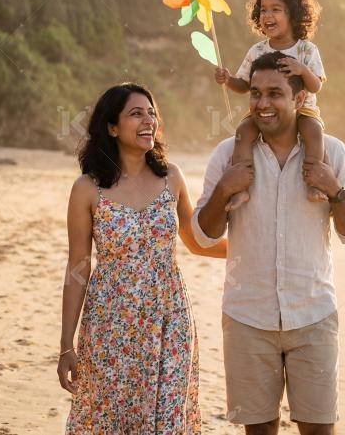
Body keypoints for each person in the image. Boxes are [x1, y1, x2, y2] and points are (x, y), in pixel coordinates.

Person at [194, 52, 345, 435]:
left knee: (319, 429)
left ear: (299, 98)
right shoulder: (228, 155)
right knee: (258, 430)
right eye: (256, 93)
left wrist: (334, 190)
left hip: (313, 316)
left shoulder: (331, 153)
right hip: (246, 317)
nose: (262, 103)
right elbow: (204, 235)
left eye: (275, 93)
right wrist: (224, 190)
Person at [58, 83, 226, 434]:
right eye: (136, 114)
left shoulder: (171, 178)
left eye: (152, 113)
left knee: (167, 419)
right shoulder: (87, 188)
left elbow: (196, 242)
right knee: (109, 419)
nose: (148, 120)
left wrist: (253, 249)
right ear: (111, 127)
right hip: (110, 324)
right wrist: (65, 345)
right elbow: (78, 268)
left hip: (170, 320)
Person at [215, 0, 327, 211]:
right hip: (264, 111)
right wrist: (228, 80)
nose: (267, 15)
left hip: (303, 110)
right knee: (243, 131)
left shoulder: (307, 49)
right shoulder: (257, 50)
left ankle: (314, 183)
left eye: (276, 9)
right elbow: (244, 85)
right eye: (263, 10)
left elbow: (315, 86)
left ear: (293, 15)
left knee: (314, 132)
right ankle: (241, 188)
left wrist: (302, 70)